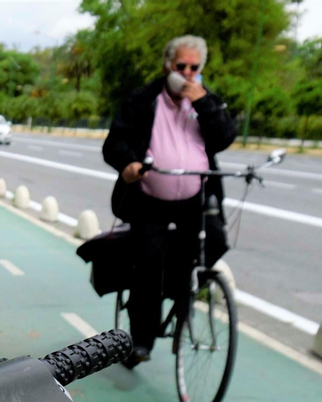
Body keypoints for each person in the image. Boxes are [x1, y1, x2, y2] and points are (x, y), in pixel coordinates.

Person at [102, 35, 238, 366]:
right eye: (182, 67)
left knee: (214, 241)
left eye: (195, 68)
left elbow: (224, 139)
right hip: (149, 198)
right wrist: (129, 164)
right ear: (167, 66)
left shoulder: (207, 101)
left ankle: (179, 293)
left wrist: (203, 103)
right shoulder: (142, 100)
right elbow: (114, 144)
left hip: (196, 198)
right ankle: (141, 340)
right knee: (148, 262)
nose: (189, 74)